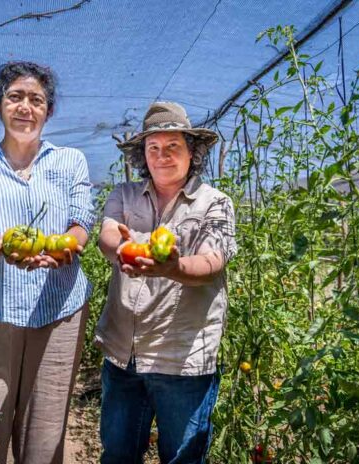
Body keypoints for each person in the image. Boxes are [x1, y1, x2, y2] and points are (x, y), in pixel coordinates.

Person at [0, 61, 95, 464]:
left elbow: (82, 220)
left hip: (59, 310)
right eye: (15, 97)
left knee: (44, 437)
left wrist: (66, 246)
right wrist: (1, 245)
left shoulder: (70, 161)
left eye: (37, 100)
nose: (25, 107)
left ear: (48, 110)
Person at [95, 101, 237, 464]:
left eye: (173, 146)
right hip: (123, 355)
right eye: (153, 148)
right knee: (118, 455)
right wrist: (125, 249)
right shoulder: (123, 195)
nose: (162, 156)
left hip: (182, 359)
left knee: (181, 459)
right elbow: (107, 237)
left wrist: (172, 268)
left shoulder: (215, 204)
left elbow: (211, 262)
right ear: (143, 155)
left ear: (192, 152)